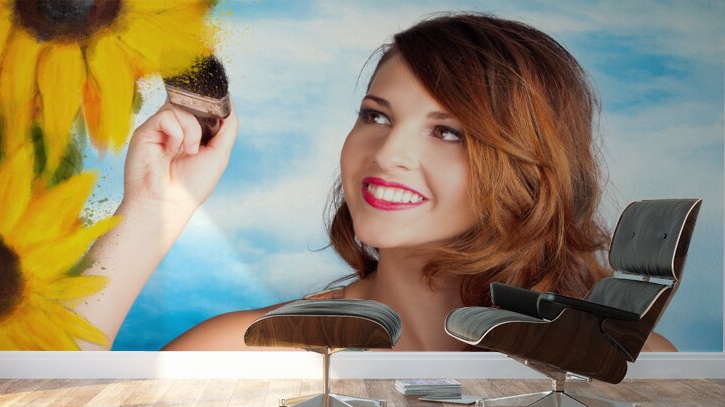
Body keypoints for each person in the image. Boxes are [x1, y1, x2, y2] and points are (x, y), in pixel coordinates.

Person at [75, 13, 677, 352]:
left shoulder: (632, 361)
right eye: (376, 115)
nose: (387, 153)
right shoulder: (243, 350)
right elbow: (25, 402)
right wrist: (155, 208)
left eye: (449, 131)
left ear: (530, 168)